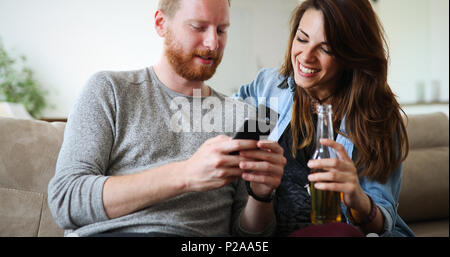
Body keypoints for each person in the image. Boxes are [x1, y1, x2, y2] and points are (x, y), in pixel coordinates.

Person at [48, 0, 286, 237]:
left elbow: (248, 239)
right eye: (198, 27)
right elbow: (66, 200)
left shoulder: (242, 116)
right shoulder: (109, 90)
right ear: (161, 23)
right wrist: (185, 174)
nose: (213, 43)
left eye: (221, 30)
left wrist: (260, 195)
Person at [234, 0, 415, 237]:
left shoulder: (376, 117)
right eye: (302, 38)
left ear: (351, 55)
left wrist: (358, 201)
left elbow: (382, 224)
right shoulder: (270, 89)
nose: (306, 56)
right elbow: (221, 118)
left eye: (326, 48)